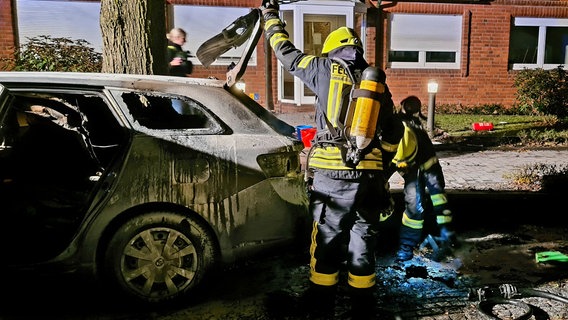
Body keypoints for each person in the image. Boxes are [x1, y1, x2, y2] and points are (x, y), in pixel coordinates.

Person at [261, 1, 398, 318]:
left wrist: (271, 18)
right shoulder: (375, 83)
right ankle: (363, 307)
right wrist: (382, 171)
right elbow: (392, 133)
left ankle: (320, 305)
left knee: (326, 237)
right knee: (363, 238)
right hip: (371, 175)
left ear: (331, 49)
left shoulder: (321, 67)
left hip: (332, 173)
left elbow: (286, 53)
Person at [390, 95, 458, 262]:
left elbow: (424, 200)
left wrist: (445, 228)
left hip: (427, 166)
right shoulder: (394, 136)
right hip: (412, 161)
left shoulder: (418, 148)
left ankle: (444, 237)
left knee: (427, 202)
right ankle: (407, 244)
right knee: (415, 204)